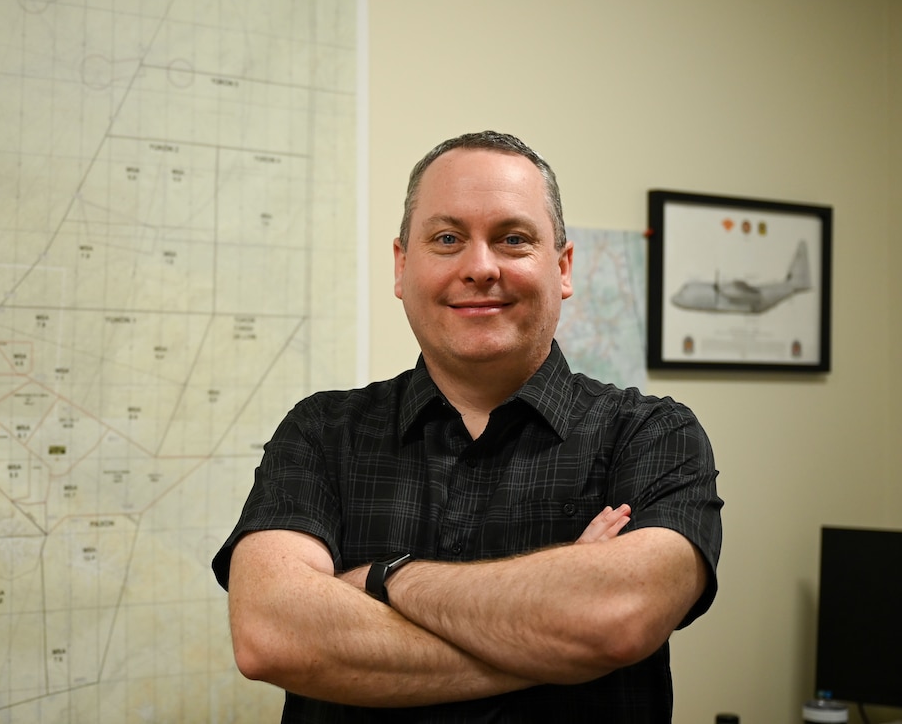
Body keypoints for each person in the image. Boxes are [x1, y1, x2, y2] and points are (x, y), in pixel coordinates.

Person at [211, 130, 723, 723]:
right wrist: (552, 634)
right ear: (403, 266)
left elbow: (613, 624)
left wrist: (385, 579)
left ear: (562, 267)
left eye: (512, 239)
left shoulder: (654, 435)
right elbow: (272, 635)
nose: (480, 268)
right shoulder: (321, 432)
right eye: (448, 238)